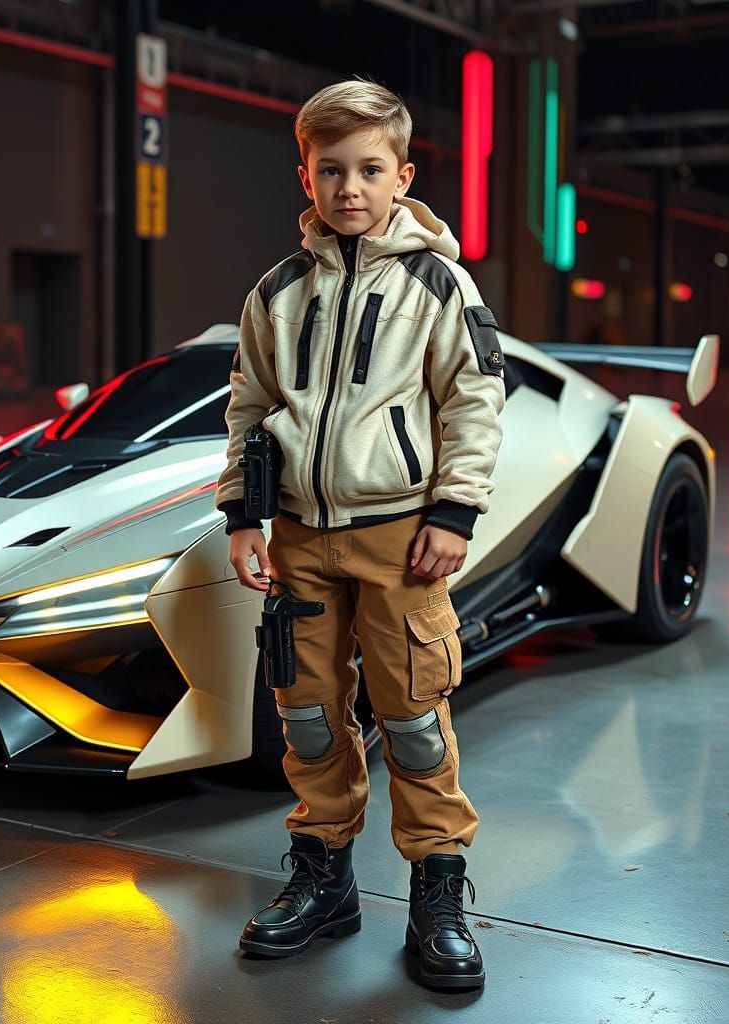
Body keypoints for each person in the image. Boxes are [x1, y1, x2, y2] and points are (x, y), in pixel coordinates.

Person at [214, 78, 505, 991]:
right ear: (305, 177)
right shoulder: (276, 291)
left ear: (402, 176)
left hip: (401, 540)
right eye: (331, 169)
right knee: (305, 714)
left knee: (413, 718)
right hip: (300, 539)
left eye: (370, 169)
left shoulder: (438, 284)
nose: (350, 187)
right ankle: (324, 880)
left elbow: (474, 402)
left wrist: (454, 512)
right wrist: (243, 515)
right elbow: (249, 406)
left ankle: (438, 892)